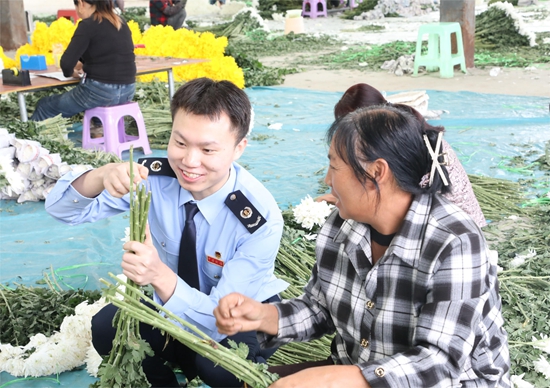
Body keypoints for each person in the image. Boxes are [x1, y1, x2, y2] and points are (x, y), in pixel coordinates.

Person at [215, 105, 511, 387]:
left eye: (334, 167)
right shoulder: (341, 224)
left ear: (376, 173)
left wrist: (338, 380)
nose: (327, 180)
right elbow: (320, 308)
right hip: (359, 371)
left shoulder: (454, 241)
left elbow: (439, 364)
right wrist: (265, 316)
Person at [45, 78, 288, 387]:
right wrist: (102, 175)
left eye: (208, 149)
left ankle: (194, 359)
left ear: (239, 148)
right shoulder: (154, 177)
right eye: (180, 142)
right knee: (108, 327)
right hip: (174, 302)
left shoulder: (258, 218)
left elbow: (219, 323)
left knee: (219, 366)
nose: (189, 161)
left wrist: (158, 275)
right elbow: (62, 210)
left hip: (239, 316)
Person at [317, 83, 487, 228]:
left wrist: (348, 197)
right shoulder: (402, 131)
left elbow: (395, 201)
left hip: (460, 223)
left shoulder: (452, 239)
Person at [31, 0, 135, 123]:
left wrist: (71, 73)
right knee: (98, 108)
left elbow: (66, 64)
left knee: (45, 106)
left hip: (100, 92)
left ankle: (31, 141)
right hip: (128, 91)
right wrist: (83, 64)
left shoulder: (88, 25)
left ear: (81, 3)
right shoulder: (120, 21)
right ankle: (99, 132)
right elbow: (108, 53)